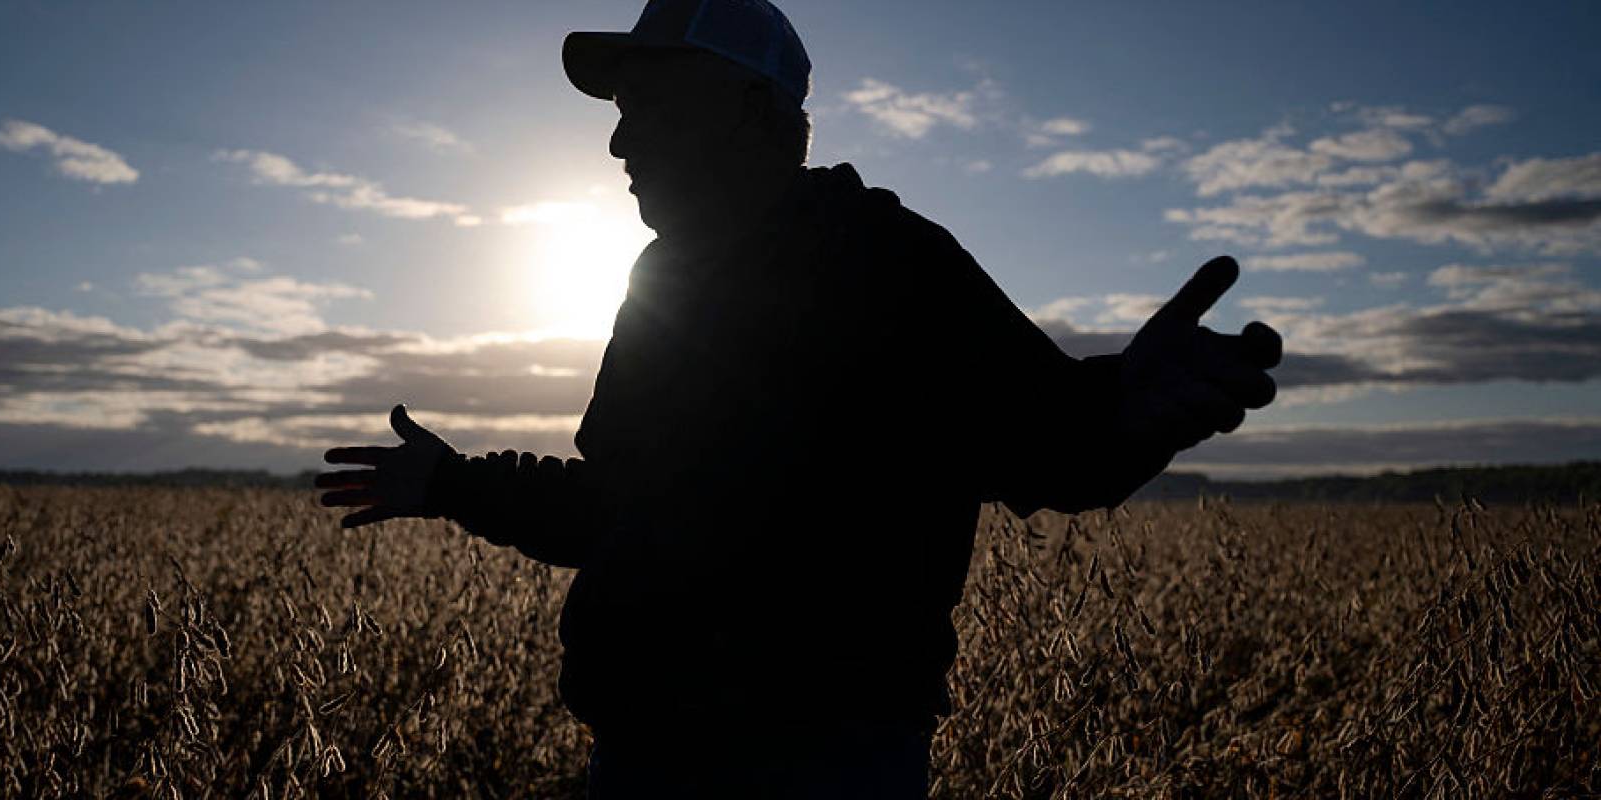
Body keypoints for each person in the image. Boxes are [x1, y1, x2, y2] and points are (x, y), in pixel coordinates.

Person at [316, 0, 1282, 796]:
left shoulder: (890, 262)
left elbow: (1058, 448)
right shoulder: (664, 281)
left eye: (649, 103)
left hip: (825, 769)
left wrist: (1126, 401)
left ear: (748, 113)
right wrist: (451, 482)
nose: (617, 139)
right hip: (645, 759)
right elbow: (618, 509)